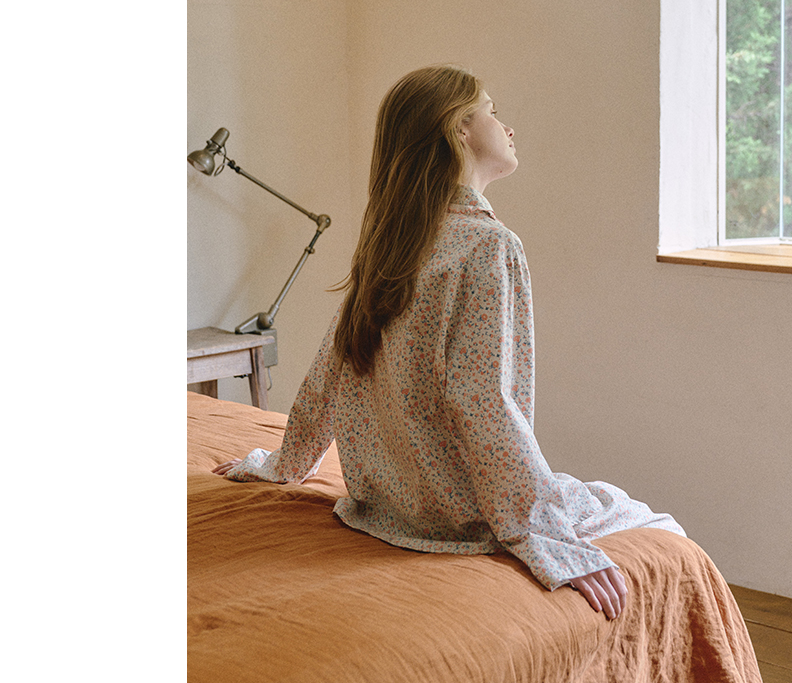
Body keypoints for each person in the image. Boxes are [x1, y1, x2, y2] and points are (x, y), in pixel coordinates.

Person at [214, 65, 686, 621]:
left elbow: (328, 377)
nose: (507, 127)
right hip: (462, 516)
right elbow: (484, 402)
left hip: (384, 509)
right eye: (493, 111)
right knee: (663, 531)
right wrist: (540, 535)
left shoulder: (390, 246)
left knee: (603, 502)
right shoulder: (489, 245)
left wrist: (282, 466)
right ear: (458, 127)